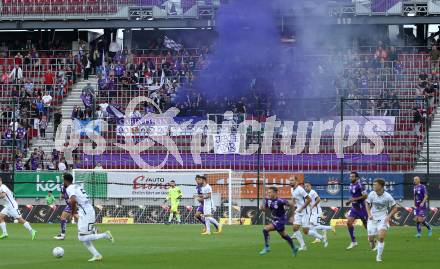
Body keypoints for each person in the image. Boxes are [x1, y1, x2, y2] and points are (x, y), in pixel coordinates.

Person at [63, 173, 114, 261]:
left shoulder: (69, 188)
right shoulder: (76, 186)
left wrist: (73, 212)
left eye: (63, 180)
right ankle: (97, 255)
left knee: (82, 237)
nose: (62, 181)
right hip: (86, 210)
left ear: (65, 181)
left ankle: (104, 235)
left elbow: (73, 200)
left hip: (86, 212)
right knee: (83, 237)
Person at [259, 186, 299, 256]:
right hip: (275, 220)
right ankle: (294, 247)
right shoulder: (268, 200)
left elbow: (292, 204)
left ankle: (267, 247)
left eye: (270, 192)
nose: (268, 194)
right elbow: (264, 210)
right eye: (268, 192)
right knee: (283, 235)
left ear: (275, 193)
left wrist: (292, 216)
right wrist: (261, 208)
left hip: (281, 220)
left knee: (265, 229)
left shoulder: (280, 201)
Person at [366, 178, 398, 262]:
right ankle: (372, 242)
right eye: (373, 184)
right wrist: (369, 214)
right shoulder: (372, 194)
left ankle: (378, 257)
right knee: (370, 238)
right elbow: (367, 203)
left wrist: (389, 216)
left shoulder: (388, 196)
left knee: (381, 237)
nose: (373, 186)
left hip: (383, 219)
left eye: (375, 185)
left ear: (380, 186)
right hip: (372, 219)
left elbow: (395, 208)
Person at [290, 176, 327, 251]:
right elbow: (293, 201)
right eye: (290, 180)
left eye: (292, 180)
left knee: (305, 231)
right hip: (298, 211)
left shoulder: (300, 189)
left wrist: (302, 208)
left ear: (297, 181)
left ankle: (322, 237)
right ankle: (303, 246)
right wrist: (293, 214)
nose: (290, 182)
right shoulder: (292, 189)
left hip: (305, 211)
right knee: (295, 228)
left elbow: (309, 199)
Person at [345, 171, 369, 250]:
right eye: (350, 176)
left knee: (366, 225)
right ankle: (353, 242)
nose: (351, 178)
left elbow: (365, 196)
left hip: (362, 208)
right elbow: (353, 196)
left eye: (352, 177)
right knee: (349, 223)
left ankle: (373, 241)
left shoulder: (360, 185)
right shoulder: (351, 185)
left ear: (357, 178)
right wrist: (349, 201)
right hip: (354, 208)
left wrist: (354, 199)